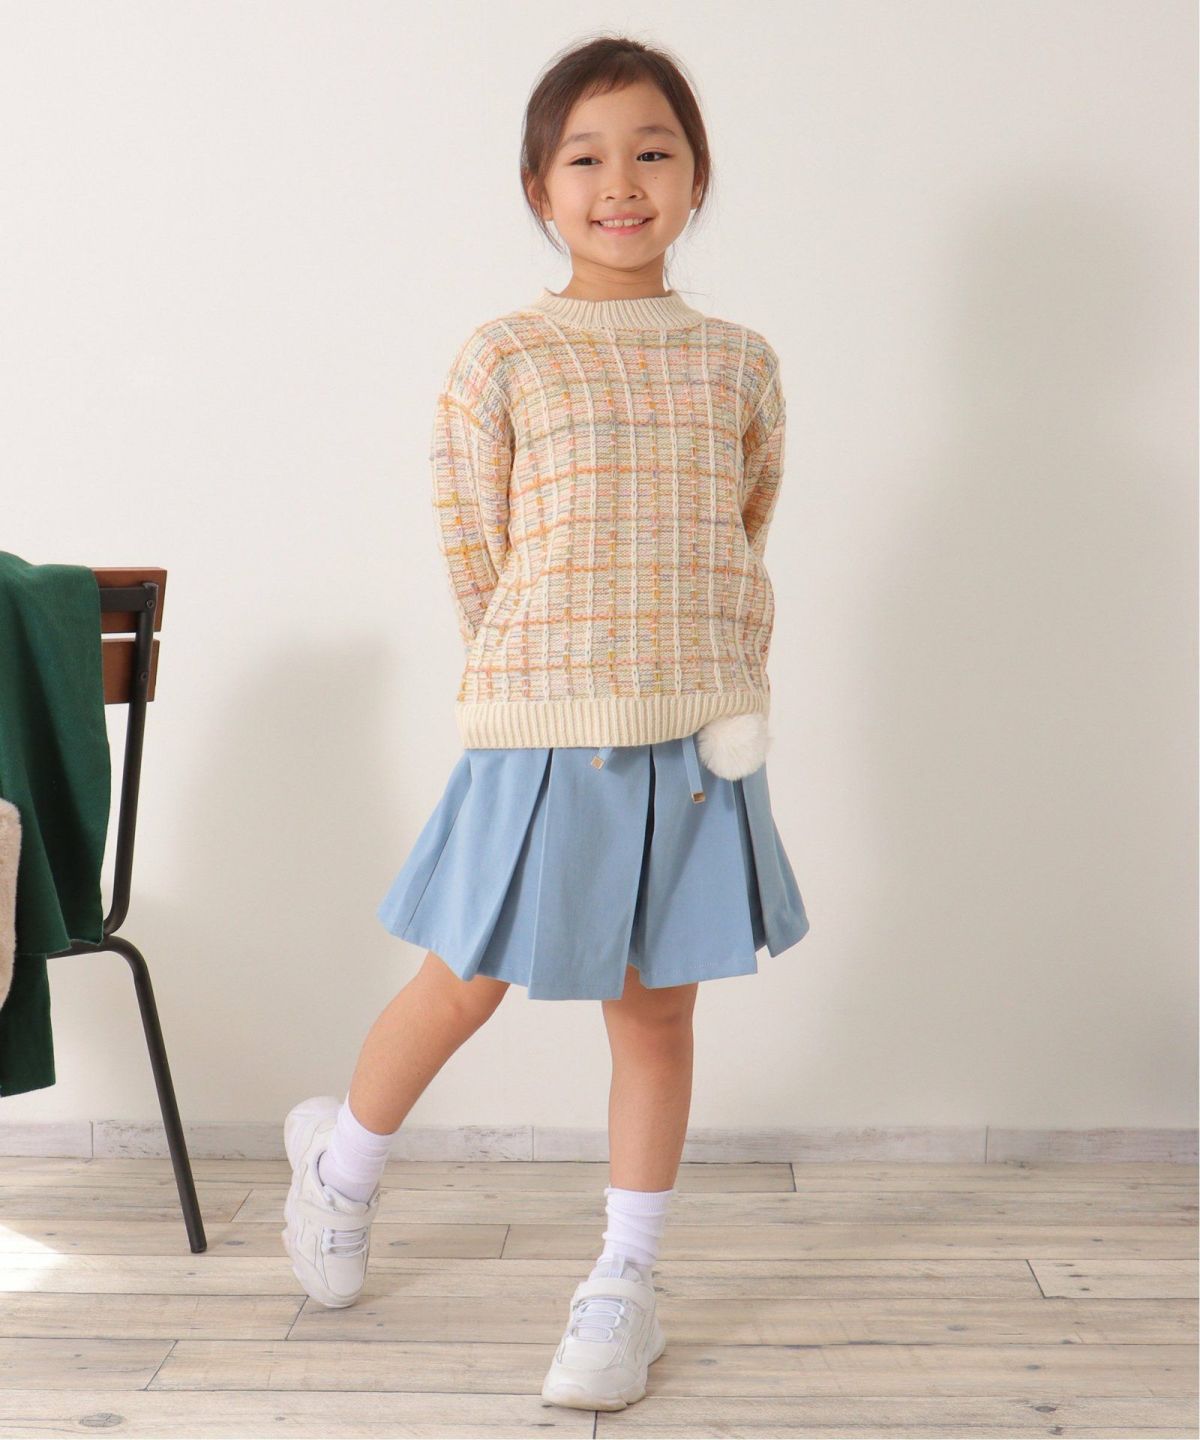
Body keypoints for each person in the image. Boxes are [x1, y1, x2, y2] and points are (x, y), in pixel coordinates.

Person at [282, 32, 810, 1413]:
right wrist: (535, 679)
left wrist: (705, 672)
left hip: (695, 731)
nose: (621, 182)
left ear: (696, 177)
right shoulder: (505, 357)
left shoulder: (741, 364)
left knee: (657, 1012)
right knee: (462, 977)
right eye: (587, 157)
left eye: (653, 152)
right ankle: (339, 1168)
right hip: (540, 719)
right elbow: (476, 544)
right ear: (540, 186)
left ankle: (625, 1283)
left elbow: (742, 530)